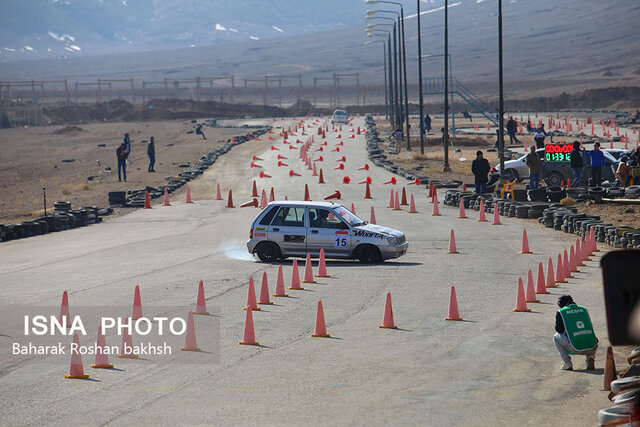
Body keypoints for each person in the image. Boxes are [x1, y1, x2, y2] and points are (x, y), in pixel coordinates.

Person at [553, 295, 597, 371]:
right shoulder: (584, 309)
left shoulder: (562, 312)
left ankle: (567, 363)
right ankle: (590, 357)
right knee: (589, 335)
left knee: (556, 337)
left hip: (575, 347)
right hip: (592, 346)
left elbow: (559, 329)